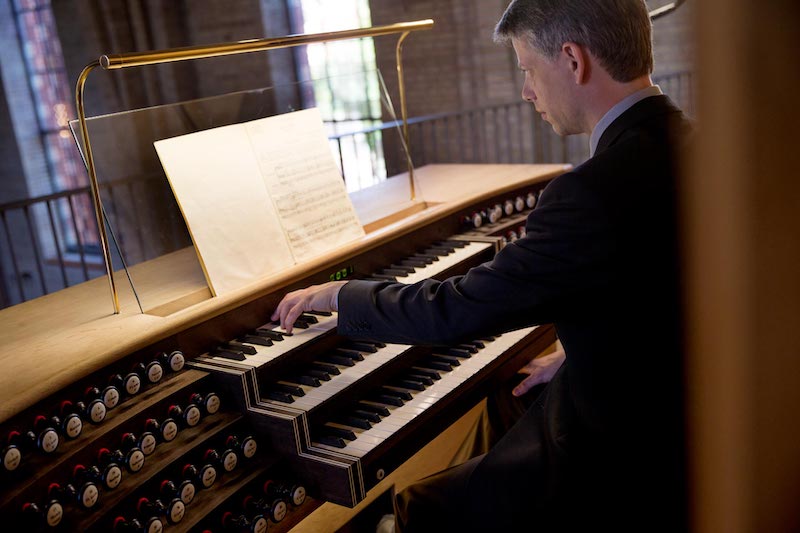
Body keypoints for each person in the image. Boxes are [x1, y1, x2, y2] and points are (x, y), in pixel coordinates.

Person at [273, 0, 692, 530]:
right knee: (509, 397)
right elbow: (666, 286)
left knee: (419, 507)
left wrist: (343, 295)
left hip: (629, 457)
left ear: (572, 60)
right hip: (676, 404)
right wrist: (588, 351)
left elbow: (457, 310)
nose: (526, 91)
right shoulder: (700, 147)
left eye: (526, 69)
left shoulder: (588, 194)